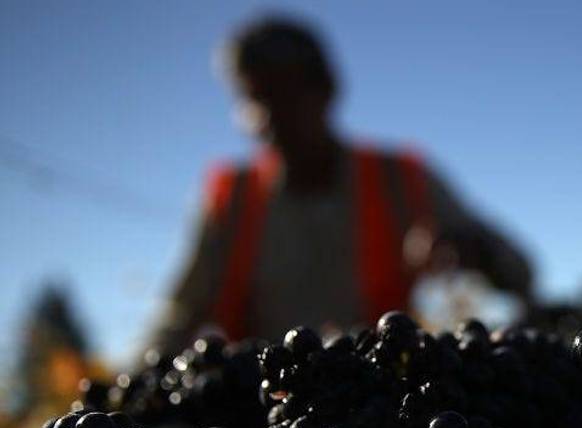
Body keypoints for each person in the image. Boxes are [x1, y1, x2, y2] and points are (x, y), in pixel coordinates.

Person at [146, 15, 532, 354]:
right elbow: (179, 315)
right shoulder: (233, 197)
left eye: (285, 95)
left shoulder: (400, 179)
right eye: (253, 99)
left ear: (327, 89)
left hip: (378, 406)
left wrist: (470, 249)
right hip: (261, 414)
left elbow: (519, 268)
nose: (268, 117)